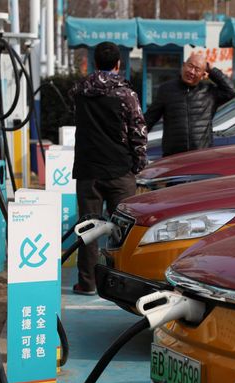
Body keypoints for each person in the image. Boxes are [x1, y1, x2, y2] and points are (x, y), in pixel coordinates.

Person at [71, 41, 147, 295]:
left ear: (94, 64)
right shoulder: (126, 95)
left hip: (88, 171)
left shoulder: (79, 90)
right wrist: (137, 166)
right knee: (123, 232)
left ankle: (88, 282)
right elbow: (138, 133)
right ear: (118, 64)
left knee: (88, 230)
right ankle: (123, 283)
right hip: (119, 171)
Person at [144, 51, 235, 157]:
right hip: (173, 156)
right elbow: (149, 119)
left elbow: (231, 91)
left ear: (203, 74)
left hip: (201, 156)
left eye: (197, 70)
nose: (192, 72)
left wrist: (212, 70)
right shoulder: (166, 89)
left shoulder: (209, 92)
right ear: (183, 65)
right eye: (190, 66)